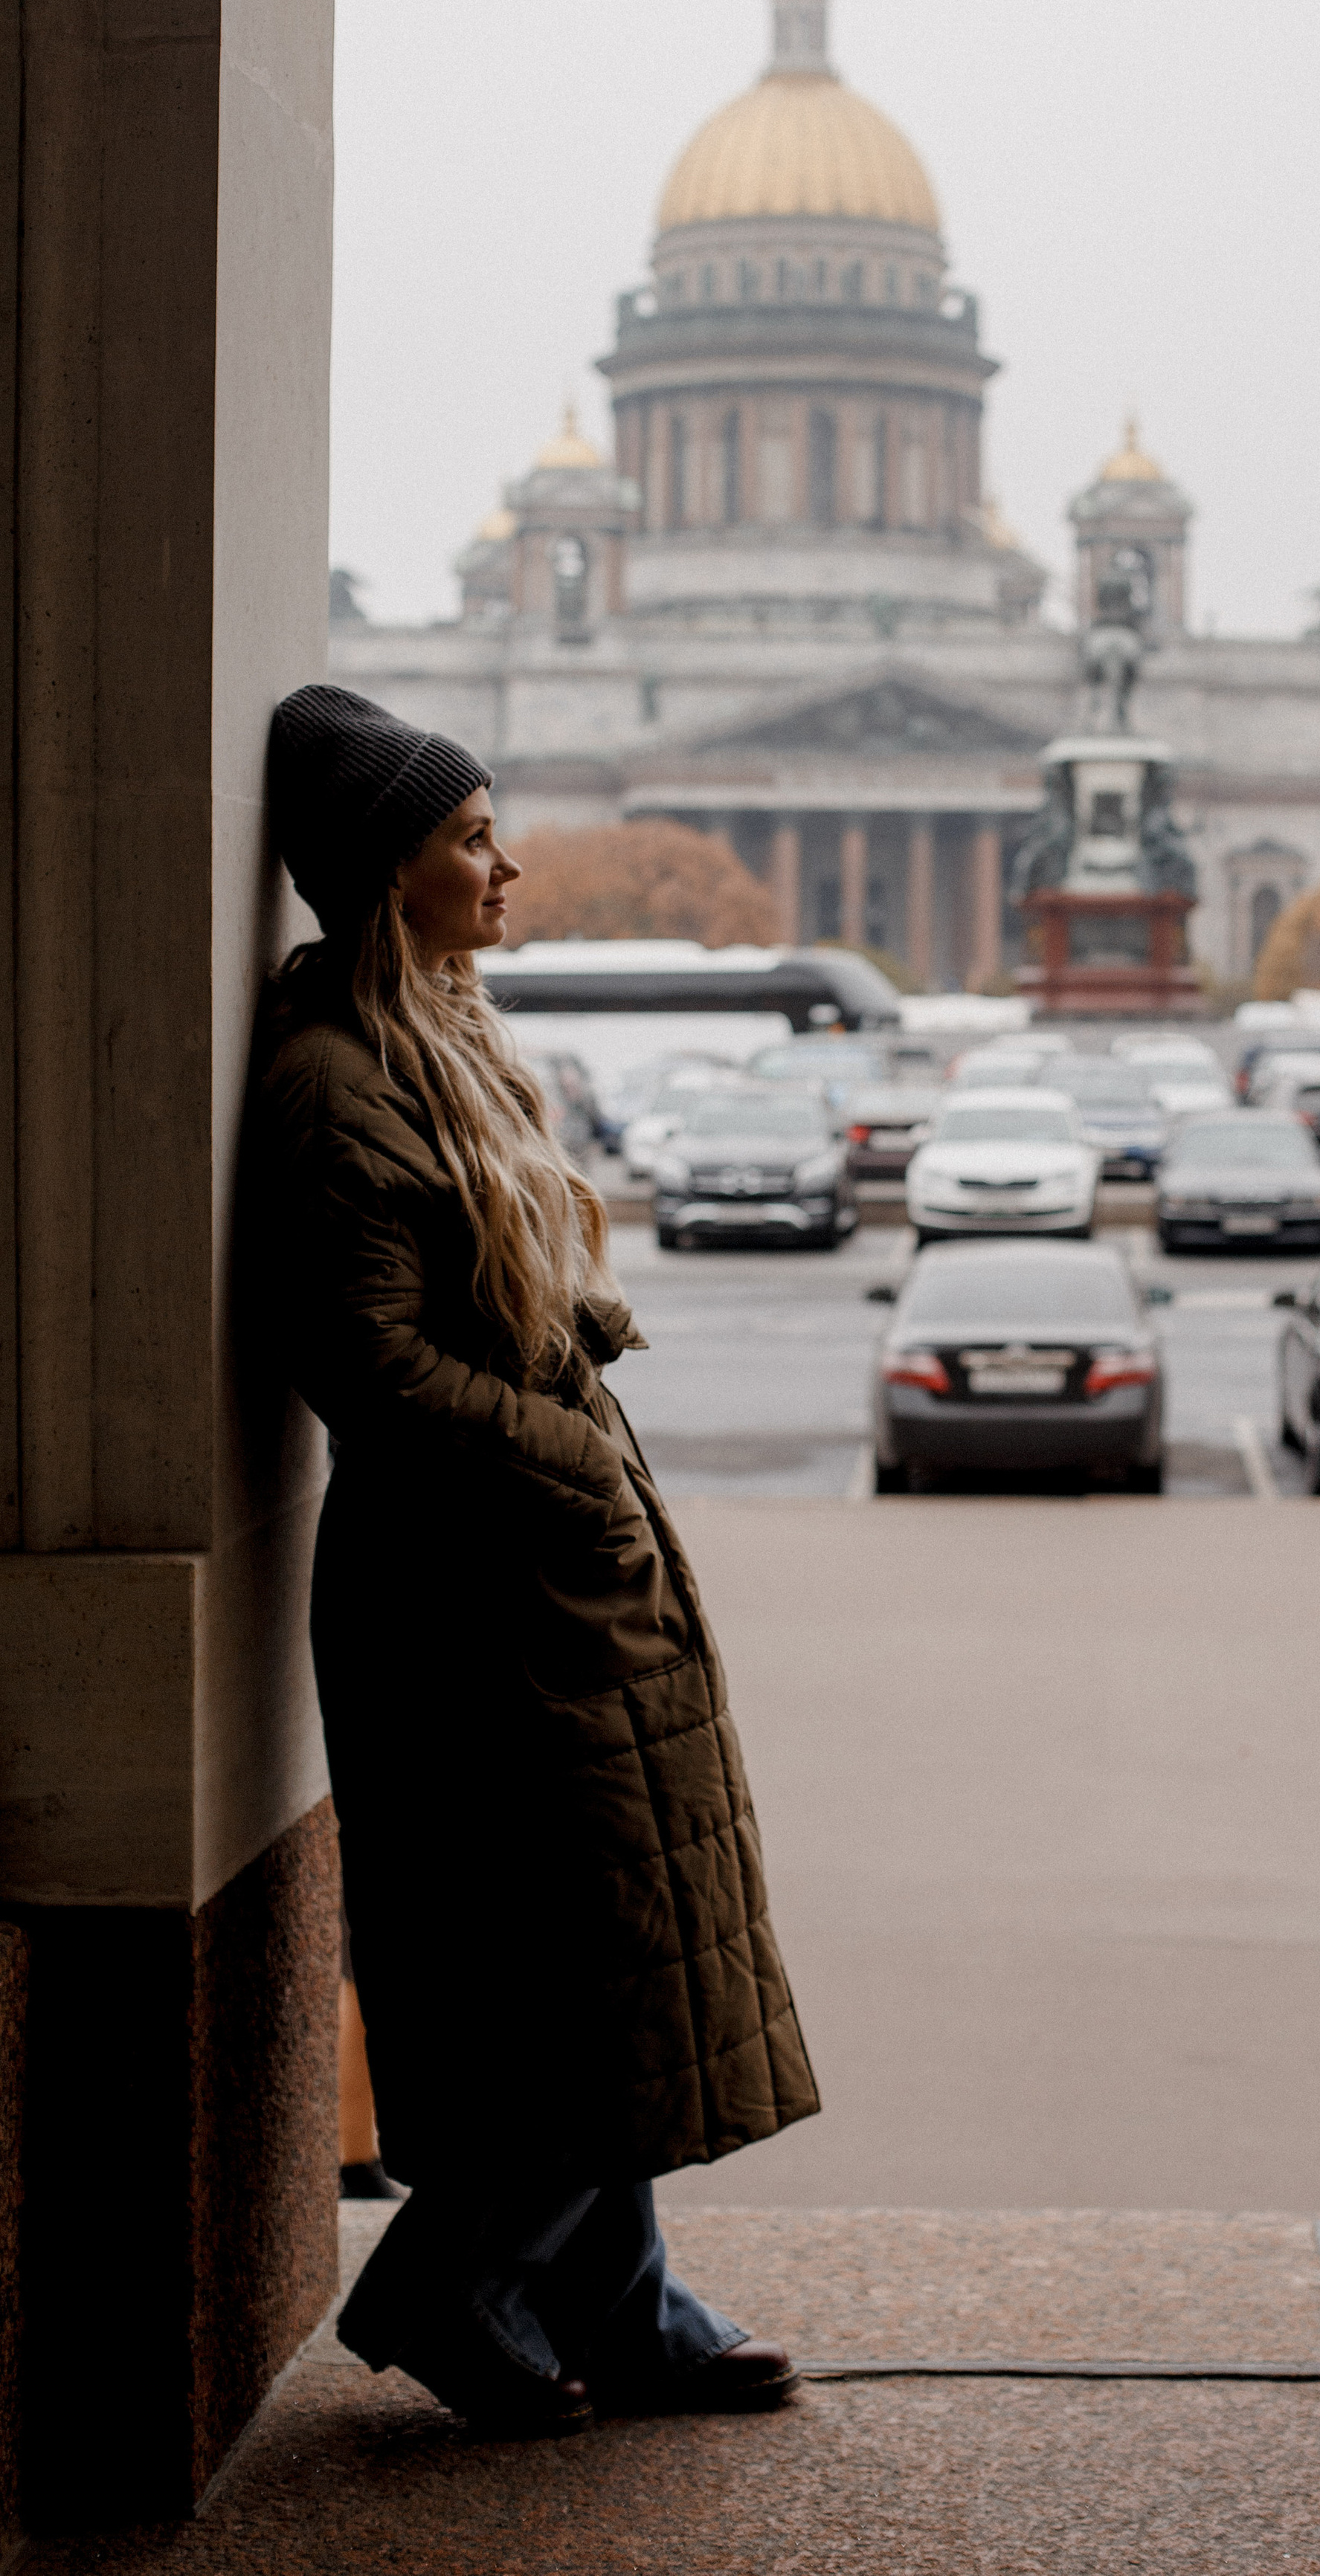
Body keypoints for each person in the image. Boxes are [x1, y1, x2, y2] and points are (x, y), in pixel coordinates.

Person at [257, 685, 819, 2435]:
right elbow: (365, 1359)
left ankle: (626, 2308)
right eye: (471, 840)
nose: (510, 867)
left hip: (530, 1570)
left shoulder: (438, 1034)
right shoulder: (336, 1080)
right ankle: (441, 2288)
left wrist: (578, 1323)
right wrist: (572, 1459)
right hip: (471, 1586)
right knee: (574, 1959)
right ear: (384, 878)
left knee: (614, 1949)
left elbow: (466, 1287)